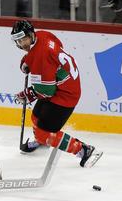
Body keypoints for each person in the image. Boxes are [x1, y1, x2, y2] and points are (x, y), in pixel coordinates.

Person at [11, 19, 103, 168]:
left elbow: (46, 91)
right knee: (36, 117)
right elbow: (57, 45)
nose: (22, 44)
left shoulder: (42, 57)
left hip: (66, 95)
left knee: (45, 133)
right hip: (60, 85)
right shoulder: (42, 35)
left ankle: (84, 149)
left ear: (31, 35)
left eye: (24, 39)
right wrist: (28, 59)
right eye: (18, 41)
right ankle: (42, 142)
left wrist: (27, 94)